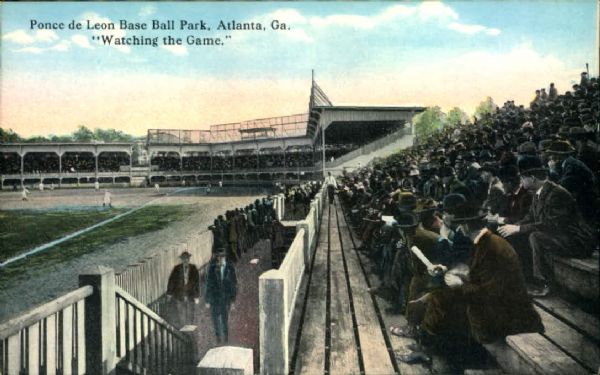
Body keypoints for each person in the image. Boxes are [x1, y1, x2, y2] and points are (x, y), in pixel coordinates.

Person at [498, 155, 596, 296]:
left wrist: (518, 228)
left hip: (577, 241)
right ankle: (522, 278)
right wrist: (512, 227)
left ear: (532, 178)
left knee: (535, 236)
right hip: (560, 238)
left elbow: (552, 224)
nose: (521, 181)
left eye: (522, 178)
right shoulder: (539, 193)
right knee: (516, 234)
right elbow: (529, 217)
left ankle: (544, 283)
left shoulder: (557, 193)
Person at [205, 249, 237, 343]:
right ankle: (218, 339)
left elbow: (234, 285)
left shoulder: (230, 268)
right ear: (217, 258)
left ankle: (226, 340)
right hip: (215, 299)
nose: (220, 259)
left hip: (225, 299)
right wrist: (207, 300)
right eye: (219, 257)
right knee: (215, 320)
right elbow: (209, 284)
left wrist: (233, 300)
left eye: (222, 257)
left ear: (225, 257)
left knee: (225, 319)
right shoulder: (212, 268)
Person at [167, 251, 201, 328]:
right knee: (181, 315)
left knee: (190, 314)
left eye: (187, 259)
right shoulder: (176, 269)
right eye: (183, 259)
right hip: (179, 295)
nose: (185, 260)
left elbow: (197, 283)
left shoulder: (194, 268)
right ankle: (183, 333)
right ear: (181, 260)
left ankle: (190, 333)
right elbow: (171, 281)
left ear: (189, 259)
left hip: (191, 295)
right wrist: (169, 293)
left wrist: (197, 296)